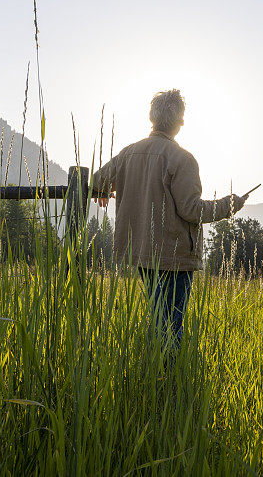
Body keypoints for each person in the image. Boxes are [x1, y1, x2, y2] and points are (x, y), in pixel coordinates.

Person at [92, 89, 247, 343]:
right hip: (174, 257)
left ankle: (156, 374)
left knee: (158, 321)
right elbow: (192, 210)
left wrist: (102, 189)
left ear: (152, 118)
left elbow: (97, 181)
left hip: (141, 253)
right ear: (180, 122)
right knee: (171, 328)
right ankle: (168, 379)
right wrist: (229, 205)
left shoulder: (128, 153)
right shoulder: (182, 159)